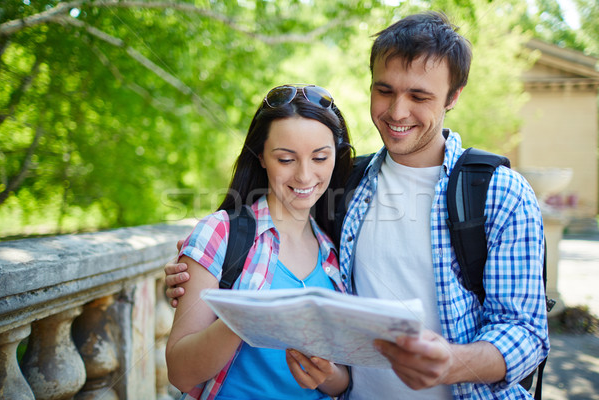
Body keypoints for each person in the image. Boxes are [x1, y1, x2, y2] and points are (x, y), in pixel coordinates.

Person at [165, 11, 550, 400]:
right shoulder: (346, 185)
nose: (397, 112)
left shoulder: (499, 194)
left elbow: (526, 332)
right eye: (384, 91)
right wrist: (202, 269)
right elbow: (266, 245)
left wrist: (451, 362)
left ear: (453, 96)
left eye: (419, 96)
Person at [165, 84, 353, 400]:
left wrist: (328, 374)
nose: (305, 176)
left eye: (320, 157)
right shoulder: (220, 234)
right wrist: (248, 318)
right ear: (262, 157)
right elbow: (180, 373)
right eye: (286, 159)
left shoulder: (333, 251)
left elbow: (340, 382)